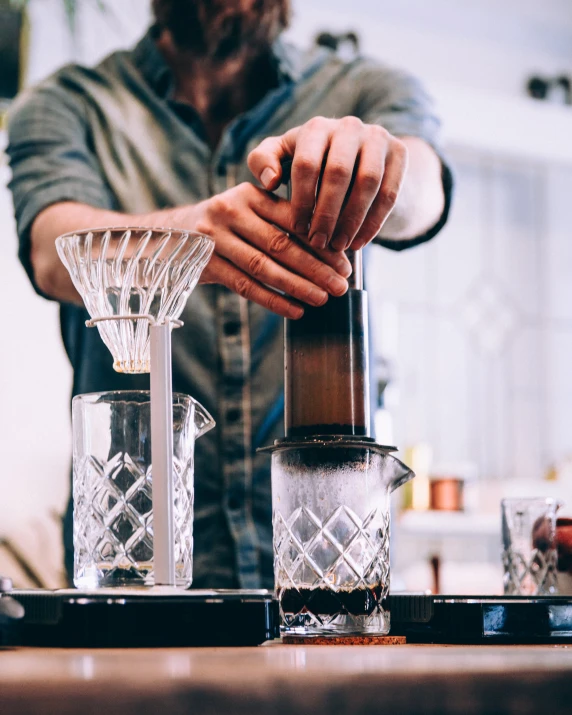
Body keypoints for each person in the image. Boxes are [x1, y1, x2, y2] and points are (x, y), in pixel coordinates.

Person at [6, 0, 452, 588]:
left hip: (323, 576)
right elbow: (52, 251)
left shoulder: (364, 90)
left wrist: (381, 173)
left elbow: (423, 191)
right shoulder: (67, 105)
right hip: (133, 581)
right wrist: (189, 237)